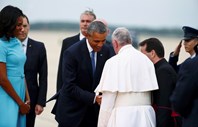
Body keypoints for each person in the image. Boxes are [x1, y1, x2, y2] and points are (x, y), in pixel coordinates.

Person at [95, 27, 159, 127]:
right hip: (146, 116)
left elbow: (107, 103)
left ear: (115, 43)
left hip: (123, 117)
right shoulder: (146, 60)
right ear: (130, 41)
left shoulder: (112, 62)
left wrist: (102, 125)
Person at [55, 21, 113, 127]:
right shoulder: (72, 53)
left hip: (94, 115)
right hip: (72, 113)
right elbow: (69, 86)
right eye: (96, 41)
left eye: (103, 41)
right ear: (87, 35)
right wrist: (94, 98)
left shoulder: (107, 51)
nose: (100, 45)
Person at [139, 38, 182, 127]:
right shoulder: (160, 68)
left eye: (142, 54)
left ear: (152, 53)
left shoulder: (164, 71)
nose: (140, 58)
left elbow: (164, 106)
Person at [0, 5, 30, 127]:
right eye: (18, 25)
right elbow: (2, 79)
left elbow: (21, 72)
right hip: (6, 95)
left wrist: (27, 98)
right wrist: (20, 103)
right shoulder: (1, 44)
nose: (21, 28)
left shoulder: (16, 42)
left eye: (22, 25)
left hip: (21, 93)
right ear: (8, 24)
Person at [16, 14, 48, 127]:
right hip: (10, 96)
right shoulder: (7, 46)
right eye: (19, 26)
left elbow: (43, 77)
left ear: (29, 26)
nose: (22, 29)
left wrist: (40, 102)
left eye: (25, 26)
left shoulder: (39, 47)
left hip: (31, 99)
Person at [56, 9, 96, 92]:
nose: (85, 24)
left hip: (92, 96)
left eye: (88, 21)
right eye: (82, 21)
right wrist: (59, 94)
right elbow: (61, 70)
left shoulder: (99, 44)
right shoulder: (68, 42)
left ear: (94, 24)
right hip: (71, 94)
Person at [170, 50, 198, 127]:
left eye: (188, 40)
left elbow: (180, 99)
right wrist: (174, 57)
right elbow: (174, 71)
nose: (185, 43)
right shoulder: (190, 62)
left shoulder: (192, 63)